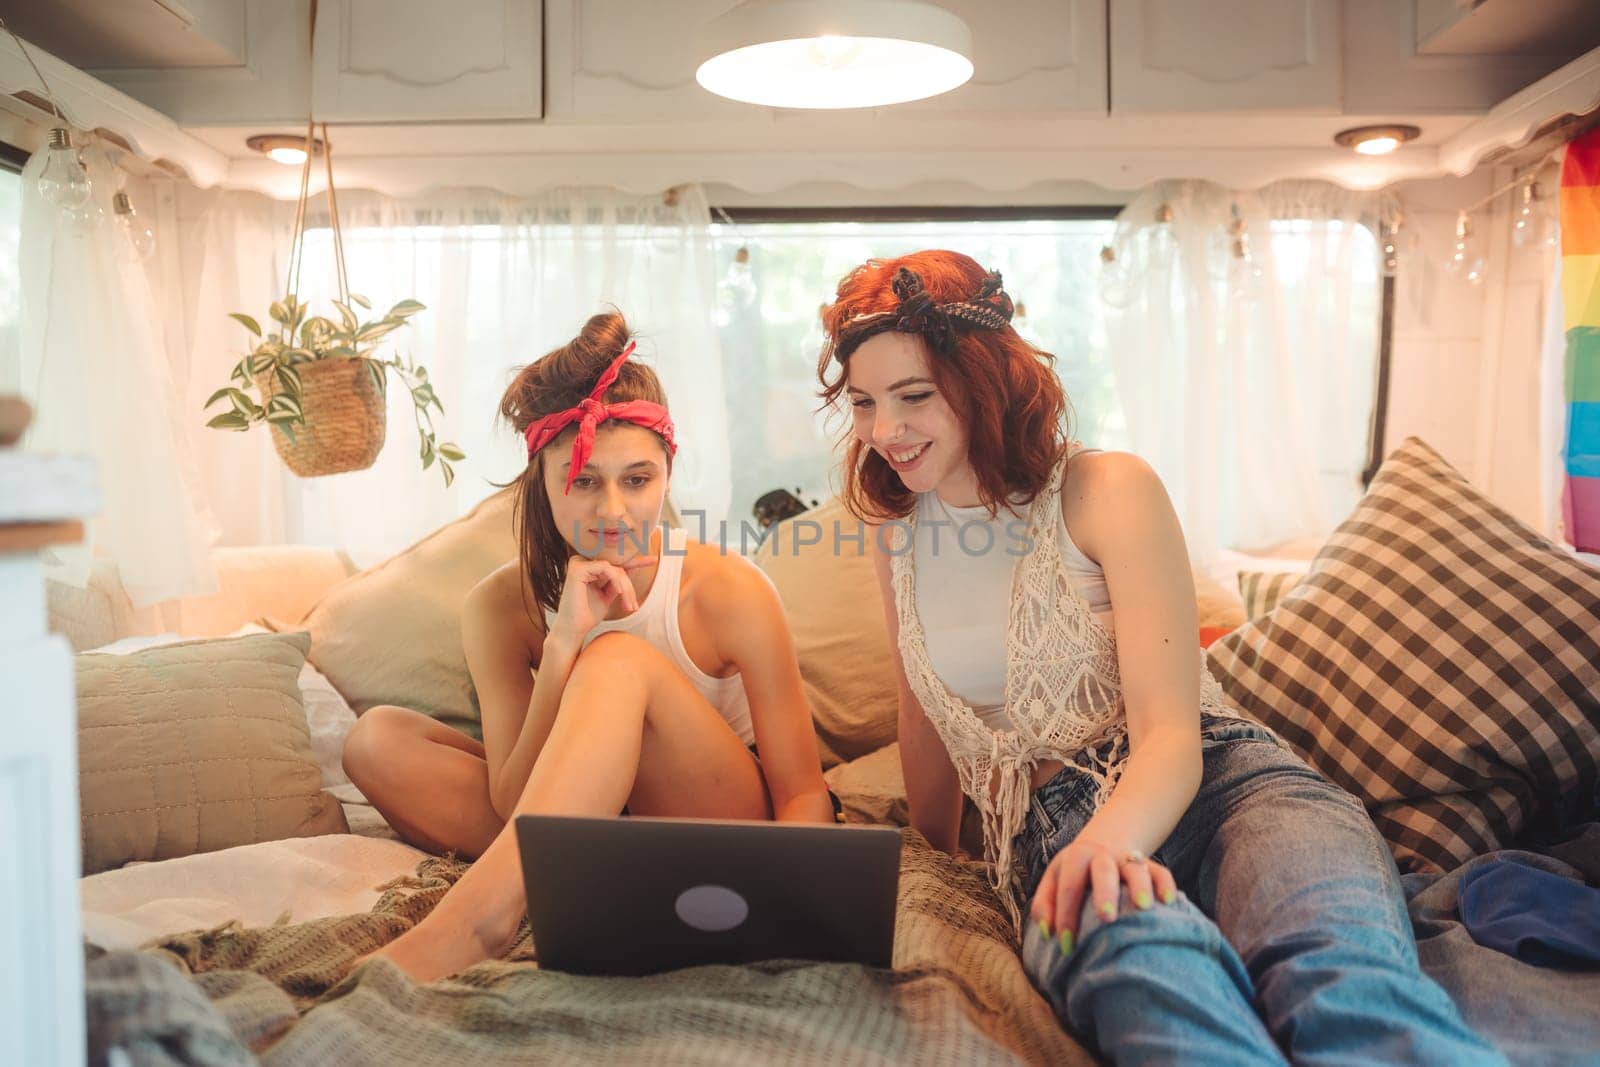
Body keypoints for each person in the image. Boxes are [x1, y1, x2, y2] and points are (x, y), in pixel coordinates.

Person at [817, 251, 1504, 1064]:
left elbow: (1172, 736)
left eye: (914, 396)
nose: (884, 430)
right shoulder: (892, 531)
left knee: (1343, 982)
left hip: (1225, 786)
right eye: (864, 402)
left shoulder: (1106, 488)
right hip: (1050, 834)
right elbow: (919, 706)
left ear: (980, 380)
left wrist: (1110, 844)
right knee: (1162, 997)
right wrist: (934, 856)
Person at [343, 311, 838, 982]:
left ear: (667, 473)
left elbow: (805, 792)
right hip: (571, 829)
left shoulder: (729, 591)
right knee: (375, 739)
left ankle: (480, 921)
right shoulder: (498, 606)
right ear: (542, 488)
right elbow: (513, 793)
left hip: (710, 821)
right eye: (582, 482)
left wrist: (788, 903)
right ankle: (581, 883)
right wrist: (563, 642)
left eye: (637, 479)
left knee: (620, 659)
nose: (613, 511)